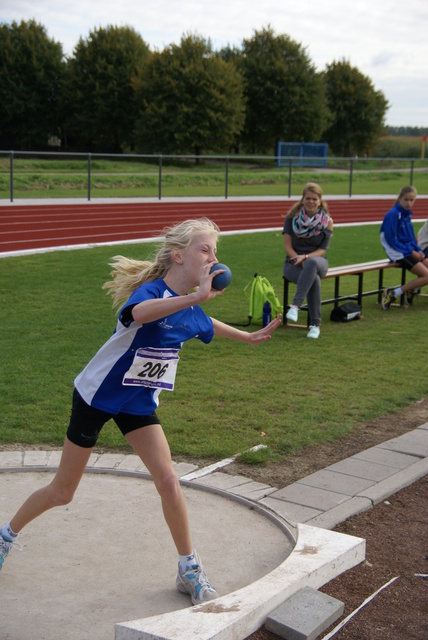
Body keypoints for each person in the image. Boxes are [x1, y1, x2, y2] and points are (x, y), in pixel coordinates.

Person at [0, 217, 281, 605]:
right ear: (178, 255)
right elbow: (140, 314)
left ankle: (189, 568)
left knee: (168, 480)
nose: (213, 258)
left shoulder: (190, 306)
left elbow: (204, 321)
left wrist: (246, 335)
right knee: (62, 492)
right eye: (205, 250)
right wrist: (194, 298)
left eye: (215, 252)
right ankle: (5, 536)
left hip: (137, 402)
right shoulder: (153, 292)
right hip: (97, 395)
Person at [283, 182, 333, 339]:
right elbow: (288, 247)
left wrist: (305, 257)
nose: (311, 202)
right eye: (308, 198)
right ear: (302, 200)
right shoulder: (291, 218)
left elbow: (322, 250)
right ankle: (315, 325)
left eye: (314, 199)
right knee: (314, 279)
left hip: (318, 261)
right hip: (293, 263)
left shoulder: (327, 221)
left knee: (312, 265)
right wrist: (297, 258)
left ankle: (295, 306)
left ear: (320, 201)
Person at [380, 186, 428, 309]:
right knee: (426, 276)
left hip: (406, 251)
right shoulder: (393, 214)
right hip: (397, 253)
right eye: (406, 200)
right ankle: (393, 293)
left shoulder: (406, 215)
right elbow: (392, 240)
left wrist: (418, 250)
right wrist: (411, 252)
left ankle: (411, 289)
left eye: (412, 200)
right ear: (399, 198)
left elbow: (411, 238)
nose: (409, 203)